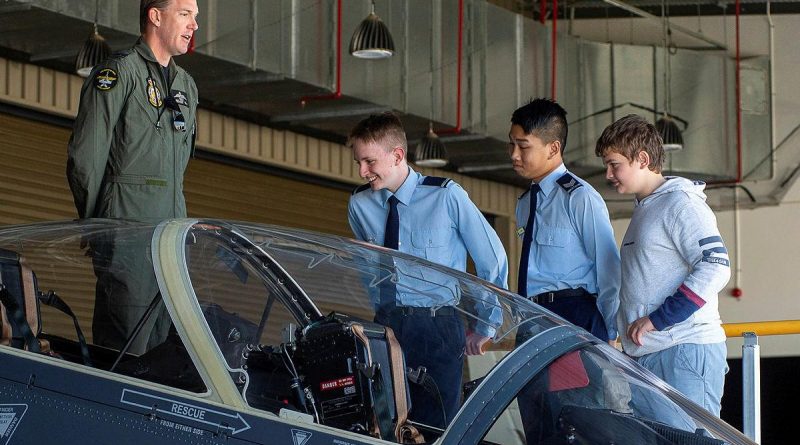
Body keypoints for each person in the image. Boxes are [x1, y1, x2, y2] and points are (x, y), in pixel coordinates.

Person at [347, 112, 508, 429]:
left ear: (397, 155)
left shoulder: (446, 195)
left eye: (369, 162)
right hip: (388, 327)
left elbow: (492, 258)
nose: (362, 171)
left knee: (438, 427)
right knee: (387, 424)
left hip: (439, 327)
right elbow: (367, 271)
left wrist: (487, 324)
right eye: (358, 163)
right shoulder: (359, 205)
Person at [66, 0, 200, 353]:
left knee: (162, 357)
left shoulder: (186, 86)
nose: (194, 25)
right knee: (125, 353)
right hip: (127, 236)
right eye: (185, 14)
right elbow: (86, 158)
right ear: (156, 16)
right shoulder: (118, 73)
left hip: (170, 244)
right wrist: (96, 226)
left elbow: (179, 168)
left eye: (195, 17)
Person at [595, 114, 729, 416]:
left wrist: (659, 318)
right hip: (649, 354)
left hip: (683, 350)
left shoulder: (681, 203)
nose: (608, 173)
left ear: (642, 159)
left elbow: (716, 265)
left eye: (615, 164)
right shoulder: (648, 208)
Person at [510, 99, 620, 343]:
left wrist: (611, 331)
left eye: (523, 146)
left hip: (574, 314)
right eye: (512, 144)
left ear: (552, 148)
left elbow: (609, 270)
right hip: (532, 317)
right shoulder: (526, 202)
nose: (514, 155)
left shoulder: (580, 197)